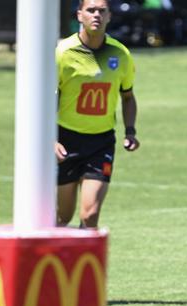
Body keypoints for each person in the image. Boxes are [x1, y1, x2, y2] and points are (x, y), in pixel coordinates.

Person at [56, 0, 140, 228]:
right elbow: (47, 99)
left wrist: (130, 131)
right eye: (91, 10)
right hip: (65, 141)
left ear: (110, 16)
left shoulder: (120, 53)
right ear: (79, 15)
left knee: (90, 215)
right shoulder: (63, 52)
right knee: (61, 218)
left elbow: (128, 96)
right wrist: (50, 139)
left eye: (102, 11)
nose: (96, 15)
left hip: (100, 142)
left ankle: (85, 262)